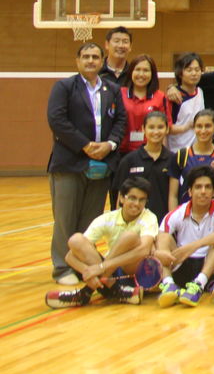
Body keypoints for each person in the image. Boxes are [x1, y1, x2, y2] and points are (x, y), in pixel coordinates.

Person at [47, 42, 128, 285]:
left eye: (95, 57)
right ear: (78, 61)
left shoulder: (112, 90)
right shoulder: (64, 87)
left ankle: (82, 265)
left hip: (102, 164)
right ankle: (62, 268)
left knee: (90, 220)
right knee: (65, 219)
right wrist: (85, 145)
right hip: (69, 164)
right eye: (86, 56)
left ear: (102, 61)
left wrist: (109, 145)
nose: (90, 61)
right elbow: (56, 119)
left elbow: (121, 121)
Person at [44, 176, 154, 308]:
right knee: (76, 239)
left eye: (142, 200)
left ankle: (86, 292)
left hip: (132, 274)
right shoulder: (107, 219)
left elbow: (144, 251)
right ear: (121, 198)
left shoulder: (148, 217)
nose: (136, 203)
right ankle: (115, 289)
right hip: (110, 275)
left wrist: (102, 268)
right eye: (132, 198)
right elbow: (69, 256)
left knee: (129, 237)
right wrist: (88, 271)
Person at [155, 166, 214, 308]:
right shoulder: (178, 212)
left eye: (208, 187)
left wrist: (194, 246)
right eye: (198, 187)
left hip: (210, 266)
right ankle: (169, 285)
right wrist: (161, 252)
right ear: (190, 191)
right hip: (182, 265)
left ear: (213, 191)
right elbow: (161, 236)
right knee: (163, 240)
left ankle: (198, 285)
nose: (203, 191)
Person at [111, 111, 172, 212]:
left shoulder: (173, 159)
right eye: (151, 127)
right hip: (135, 219)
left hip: (163, 219)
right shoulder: (128, 160)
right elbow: (120, 196)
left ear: (167, 129)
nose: (156, 132)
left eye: (160, 127)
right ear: (143, 129)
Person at [167, 109, 214, 212]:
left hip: (212, 215)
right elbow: (173, 195)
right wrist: (173, 217)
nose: (203, 131)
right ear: (194, 127)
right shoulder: (181, 155)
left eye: (208, 126)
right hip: (185, 215)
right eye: (199, 126)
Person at [119, 54, 169, 155]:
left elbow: (164, 127)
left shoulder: (160, 97)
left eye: (146, 70)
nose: (141, 74)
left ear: (152, 74)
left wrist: (163, 155)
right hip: (122, 152)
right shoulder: (120, 94)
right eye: (137, 69)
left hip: (150, 152)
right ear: (131, 72)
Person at [167, 52, 205, 153]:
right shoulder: (173, 96)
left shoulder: (200, 91)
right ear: (180, 73)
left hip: (195, 152)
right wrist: (186, 127)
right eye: (189, 70)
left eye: (197, 69)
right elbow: (166, 127)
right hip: (176, 151)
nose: (194, 73)